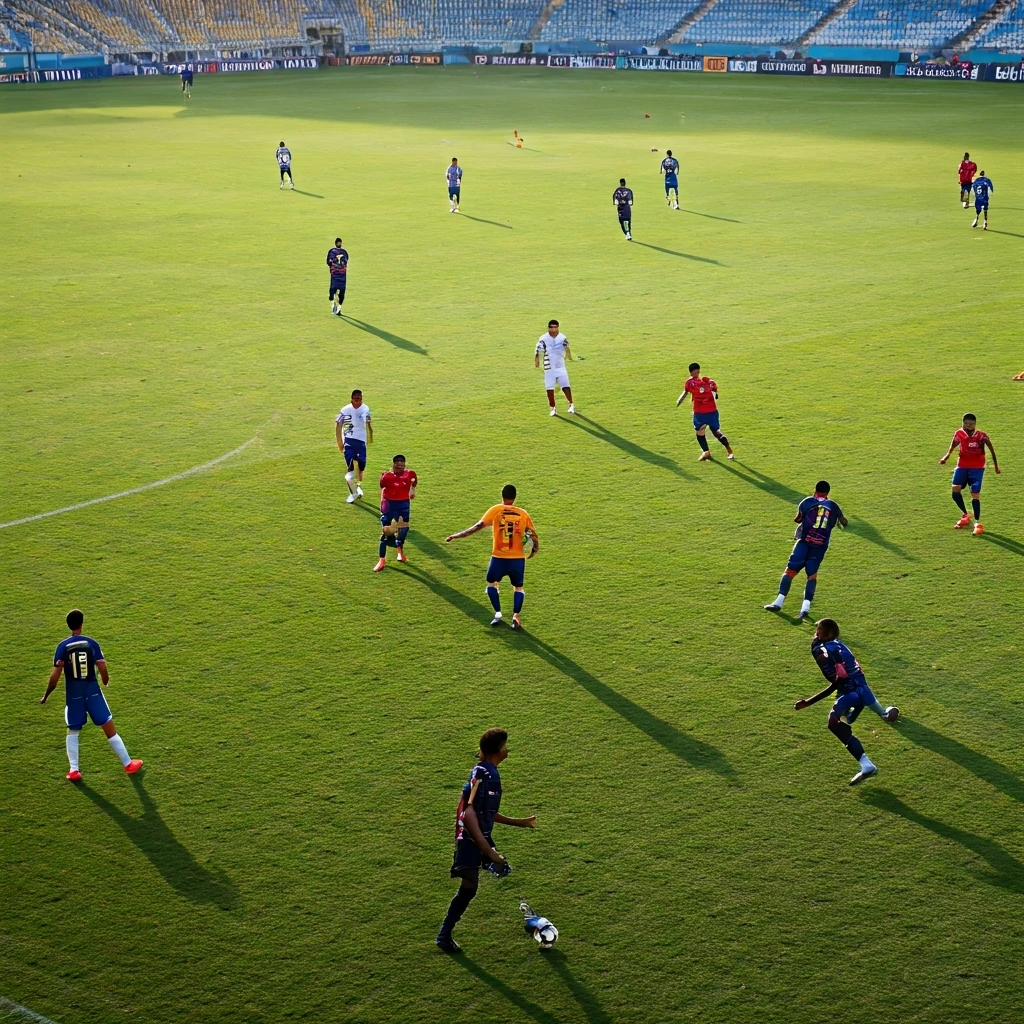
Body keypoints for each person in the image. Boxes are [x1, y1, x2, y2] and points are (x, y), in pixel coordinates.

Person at [436, 727, 536, 953]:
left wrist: (519, 822)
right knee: (470, 885)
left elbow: (482, 813)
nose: (508, 750)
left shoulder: (484, 771)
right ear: (499, 750)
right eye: (506, 746)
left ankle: (444, 935)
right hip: (471, 838)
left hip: (476, 836)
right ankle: (443, 936)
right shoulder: (486, 776)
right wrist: (487, 850)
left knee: (473, 885)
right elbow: (469, 814)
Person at [40, 609, 143, 782]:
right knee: (108, 726)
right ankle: (128, 764)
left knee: (73, 730)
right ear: (82, 624)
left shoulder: (62, 647)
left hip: (73, 694)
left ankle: (74, 770)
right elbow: (102, 666)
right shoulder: (91, 643)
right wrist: (105, 680)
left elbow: (55, 676)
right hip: (92, 690)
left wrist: (46, 695)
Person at [794, 618, 899, 786]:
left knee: (833, 722)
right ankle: (882, 714)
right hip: (861, 689)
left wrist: (808, 702)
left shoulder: (828, 652)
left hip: (851, 693)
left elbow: (836, 682)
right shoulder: (839, 645)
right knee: (863, 709)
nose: (816, 633)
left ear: (827, 634)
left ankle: (866, 764)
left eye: (819, 630)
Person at [445, 484, 538, 630]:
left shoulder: (496, 510)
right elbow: (532, 535)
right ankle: (516, 615)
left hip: (499, 557)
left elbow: (478, 526)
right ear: (515, 497)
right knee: (518, 587)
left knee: (491, 583)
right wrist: (534, 550)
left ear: (502, 495)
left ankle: (498, 613)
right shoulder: (523, 514)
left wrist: (457, 536)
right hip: (517, 559)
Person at [764, 481, 847, 619]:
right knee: (812, 575)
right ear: (828, 493)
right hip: (820, 546)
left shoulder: (807, 502)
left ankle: (778, 602)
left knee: (790, 571)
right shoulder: (833, 505)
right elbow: (844, 522)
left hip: (804, 543)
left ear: (815, 490)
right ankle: (805, 609)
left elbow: (798, 519)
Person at [939, 413, 999, 535]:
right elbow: (953, 446)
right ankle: (966, 515)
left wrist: (996, 466)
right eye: (966, 424)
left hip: (977, 468)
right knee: (955, 489)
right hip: (962, 466)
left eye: (971, 424)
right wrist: (946, 457)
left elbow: (992, 451)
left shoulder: (982, 436)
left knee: (975, 494)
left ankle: (978, 523)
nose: (968, 426)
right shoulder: (959, 433)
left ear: (975, 424)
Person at [675, 362, 733, 461]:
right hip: (705, 412)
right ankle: (714, 452)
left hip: (705, 412)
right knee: (707, 432)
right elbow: (715, 396)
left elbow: (715, 395)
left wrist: (679, 401)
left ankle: (720, 451)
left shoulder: (699, 383)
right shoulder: (701, 383)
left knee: (708, 432)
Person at [374, 455, 417, 572]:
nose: (400, 467)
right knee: (386, 533)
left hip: (403, 506)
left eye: (402, 465)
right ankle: (382, 560)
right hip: (390, 506)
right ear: (393, 465)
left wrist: (412, 490)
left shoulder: (410, 474)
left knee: (403, 531)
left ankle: (400, 553)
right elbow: (382, 489)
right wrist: (383, 506)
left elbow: (413, 482)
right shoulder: (387, 476)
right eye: (398, 465)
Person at [335, 389, 372, 504]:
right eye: (356, 399)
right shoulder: (345, 410)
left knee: (361, 466)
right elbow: (338, 425)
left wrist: (370, 436)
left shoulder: (365, 409)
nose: (358, 401)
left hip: (361, 442)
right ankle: (353, 493)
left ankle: (358, 486)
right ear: (351, 399)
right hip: (349, 441)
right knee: (350, 469)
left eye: (360, 399)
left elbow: (367, 421)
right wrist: (340, 443)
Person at [535, 319, 575, 417]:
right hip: (549, 367)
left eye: (555, 327)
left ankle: (571, 404)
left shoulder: (562, 337)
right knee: (549, 388)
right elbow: (538, 351)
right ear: (548, 328)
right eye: (551, 327)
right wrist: (537, 363)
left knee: (566, 386)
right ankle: (553, 408)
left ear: (558, 327)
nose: (553, 329)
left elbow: (567, 348)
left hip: (560, 366)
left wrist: (569, 356)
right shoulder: (543, 338)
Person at [326, 237, 349, 315]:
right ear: (336, 243)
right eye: (338, 243)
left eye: (340, 243)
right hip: (335, 275)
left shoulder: (344, 252)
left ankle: (339, 308)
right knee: (332, 292)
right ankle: (333, 304)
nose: (339, 244)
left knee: (341, 294)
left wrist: (339, 261)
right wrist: (336, 260)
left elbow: (345, 261)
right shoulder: (332, 252)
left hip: (341, 276)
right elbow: (329, 262)